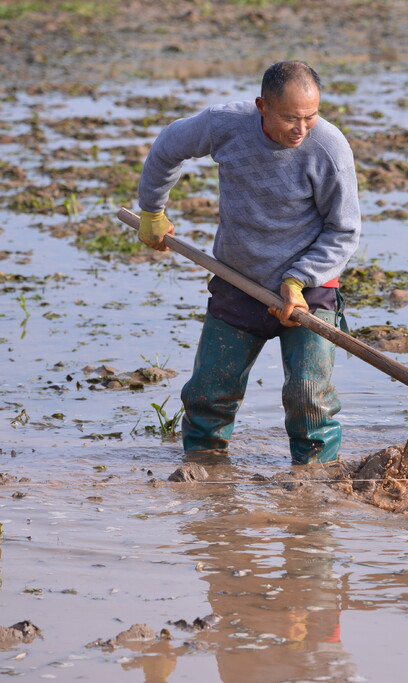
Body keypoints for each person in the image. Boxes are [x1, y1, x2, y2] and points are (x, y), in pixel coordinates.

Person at [137, 60, 361, 464]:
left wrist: (298, 280)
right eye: (291, 118)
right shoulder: (225, 125)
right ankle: (204, 469)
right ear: (262, 106)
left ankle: (314, 481)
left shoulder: (329, 147)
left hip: (309, 289)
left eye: (310, 116)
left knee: (309, 397)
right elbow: (170, 145)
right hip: (238, 279)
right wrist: (152, 209)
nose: (301, 129)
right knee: (209, 392)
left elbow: (343, 230)